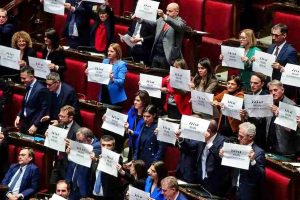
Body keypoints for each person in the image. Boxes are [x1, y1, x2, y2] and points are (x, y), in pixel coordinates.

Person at [178, 120, 229, 196]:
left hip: (214, 181)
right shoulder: (201, 138)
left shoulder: (223, 141)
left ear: (208, 131)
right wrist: (181, 139)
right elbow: (190, 147)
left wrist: (208, 142)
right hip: (200, 178)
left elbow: (220, 158)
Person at [220, 122, 265, 200]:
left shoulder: (258, 152)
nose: (238, 138)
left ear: (250, 137)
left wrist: (253, 161)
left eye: (241, 137)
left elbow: (260, 176)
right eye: (238, 135)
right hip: (232, 190)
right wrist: (222, 156)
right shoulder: (236, 146)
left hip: (247, 194)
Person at [138, 3, 186, 69]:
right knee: (154, 75)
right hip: (156, 54)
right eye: (167, 10)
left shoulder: (181, 22)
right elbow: (152, 23)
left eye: (170, 11)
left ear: (177, 12)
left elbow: (178, 26)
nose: (167, 13)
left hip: (168, 56)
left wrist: (164, 15)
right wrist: (141, 19)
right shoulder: (161, 19)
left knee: (164, 77)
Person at [49, 105, 81, 191]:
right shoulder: (59, 126)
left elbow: (78, 151)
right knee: (52, 187)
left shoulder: (77, 131)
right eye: (59, 115)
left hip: (68, 166)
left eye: (63, 116)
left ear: (70, 118)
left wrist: (71, 147)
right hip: (57, 163)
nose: (60, 118)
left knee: (65, 190)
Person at [65, 127, 100, 200]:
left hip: (84, 188)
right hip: (72, 184)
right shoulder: (78, 142)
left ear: (89, 139)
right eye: (77, 140)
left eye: (80, 141)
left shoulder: (97, 147)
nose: (78, 143)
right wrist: (69, 153)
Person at [14, 66, 50, 135]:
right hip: (24, 122)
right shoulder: (28, 85)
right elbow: (24, 104)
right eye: (21, 78)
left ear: (31, 77)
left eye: (24, 78)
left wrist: (36, 124)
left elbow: (44, 109)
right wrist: (19, 116)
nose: (21, 80)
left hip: (33, 124)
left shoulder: (41, 89)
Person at [266, 80, 297, 155]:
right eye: (270, 91)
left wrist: (281, 114)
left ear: (282, 90)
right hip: (269, 146)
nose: (273, 93)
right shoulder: (269, 102)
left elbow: (293, 129)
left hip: (284, 148)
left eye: (275, 90)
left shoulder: (292, 105)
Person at [240, 72, 269, 150]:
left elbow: (265, 119)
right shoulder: (248, 96)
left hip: (259, 136)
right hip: (246, 135)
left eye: (255, 83)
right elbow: (244, 120)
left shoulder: (266, 97)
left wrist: (249, 114)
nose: (252, 85)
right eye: (251, 82)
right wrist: (243, 115)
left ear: (262, 84)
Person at [90, 135, 123, 200]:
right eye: (103, 145)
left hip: (108, 195)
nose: (106, 147)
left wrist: (96, 160)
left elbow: (110, 165)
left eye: (109, 145)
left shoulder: (117, 158)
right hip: (93, 194)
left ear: (113, 146)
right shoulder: (96, 154)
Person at [125, 90, 151, 160]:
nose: (135, 102)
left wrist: (132, 132)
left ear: (144, 102)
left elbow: (145, 132)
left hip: (140, 146)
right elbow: (125, 120)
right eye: (135, 100)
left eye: (138, 100)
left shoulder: (147, 116)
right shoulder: (132, 110)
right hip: (131, 143)